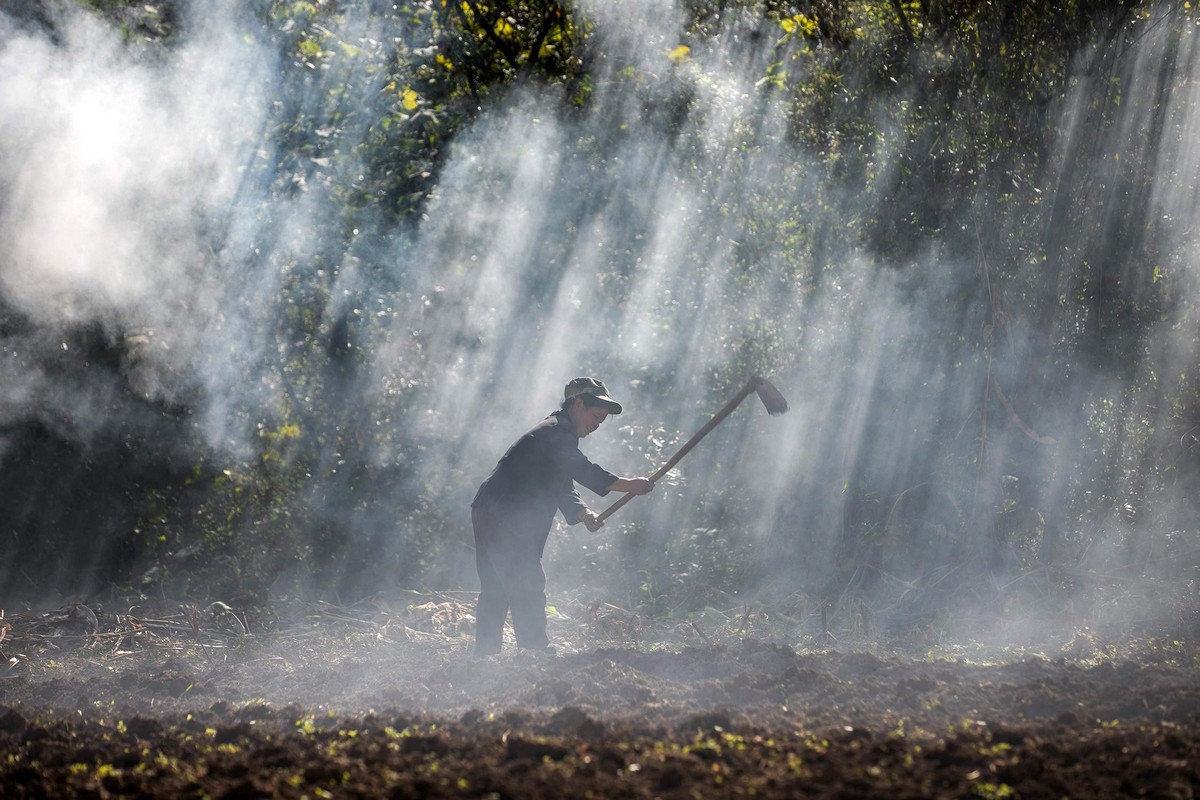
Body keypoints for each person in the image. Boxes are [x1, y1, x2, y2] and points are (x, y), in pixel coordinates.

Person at [470, 377, 655, 656]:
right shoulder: (554, 432)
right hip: (505, 515)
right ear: (577, 404)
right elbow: (581, 470)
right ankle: (535, 653)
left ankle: (484, 658)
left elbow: (561, 483)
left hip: (489, 510)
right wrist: (628, 484)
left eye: (602, 420)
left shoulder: (555, 435)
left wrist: (583, 513)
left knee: (496, 591)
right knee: (527, 582)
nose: (596, 424)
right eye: (595, 416)